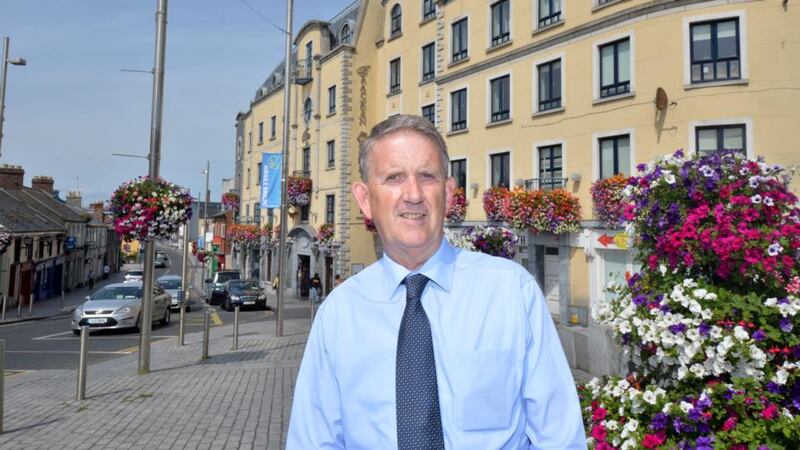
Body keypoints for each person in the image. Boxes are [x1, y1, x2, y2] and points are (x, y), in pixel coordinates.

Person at [287, 115, 586, 449]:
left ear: (448, 192)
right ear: (365, 199)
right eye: (394, 177)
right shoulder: (338, 315)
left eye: (427, 176)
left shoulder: (511, 292)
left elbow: (560, 436)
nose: (413, 194)